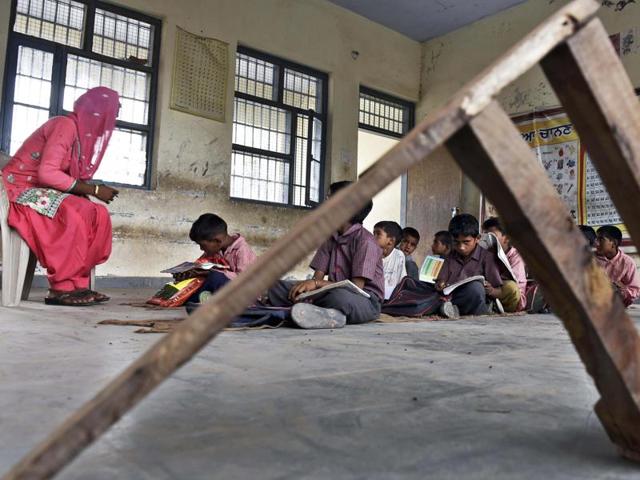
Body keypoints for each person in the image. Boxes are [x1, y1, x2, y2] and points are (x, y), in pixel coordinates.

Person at [1, 87, 120, 306]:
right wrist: (93, 190)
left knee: (96, 212)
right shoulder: (65, 125)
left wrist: (93, 191)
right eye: (113, 111)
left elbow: (64, 179)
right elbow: (46, 174)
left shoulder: (81, 137)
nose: (114, 118)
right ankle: (61, 287)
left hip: (42, 192)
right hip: (16, 192)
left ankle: (78, 283)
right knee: (70, 214)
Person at [266, 181, 384, 328]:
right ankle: (324, 313)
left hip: (364, 300)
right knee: (277, 287)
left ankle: (326, 313)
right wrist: (309, 290)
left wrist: (315, 285)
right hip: (329, 290)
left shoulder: (366, 241)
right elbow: (318, 276)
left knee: (340, 298)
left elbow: (357, 288)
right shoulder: (331, 236)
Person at [436, 214, 503, 316]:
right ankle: (451, 309)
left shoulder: (486, 257)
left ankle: (454, 310)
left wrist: (491, 290)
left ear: (478, 238)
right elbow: (441, 282)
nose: (461, 247)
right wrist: (440, 284)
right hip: (452, 298)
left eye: (466, 242)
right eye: (456, 242)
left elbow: (500, 291)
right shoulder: (449, 257)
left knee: (475, 288)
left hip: (473, 299)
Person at [184, 213, 257, 303]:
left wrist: (213, 272)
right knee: (197, 279)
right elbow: (200, 265)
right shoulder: (215, 250)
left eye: (202, 245)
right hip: (223, 293)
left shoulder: (242, 250)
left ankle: (192, 302)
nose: (201, 249)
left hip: (247, 297)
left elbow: (245, 279)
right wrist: (190, 272)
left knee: (215, 277)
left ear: (217, 241)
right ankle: (188, 301)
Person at [481, 217, 527, 312]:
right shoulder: (486, 252)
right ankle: (490, 307)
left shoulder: (515, 256)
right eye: (486, 236)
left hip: (508, 296)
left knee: (511, 287)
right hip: (487, 291)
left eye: (492, 236)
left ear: (506, 238)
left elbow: (516, 283)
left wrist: (494, 289)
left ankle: (495, 307)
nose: (488, 240)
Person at [595, 225, 640, 307]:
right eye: (596, 239)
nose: (596, 243)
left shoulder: (627, 263)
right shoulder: (590, 258)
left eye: (601, 239)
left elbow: (635, 291)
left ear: (614, 243)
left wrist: (622, 292)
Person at [374, 221, 407, 300]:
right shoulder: (371, 253)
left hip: (390, 298)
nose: (373, 237)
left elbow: (402, 281)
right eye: (373, 233)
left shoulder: (399, 255)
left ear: (391, 241)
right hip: (374, 295)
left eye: (378, 234)